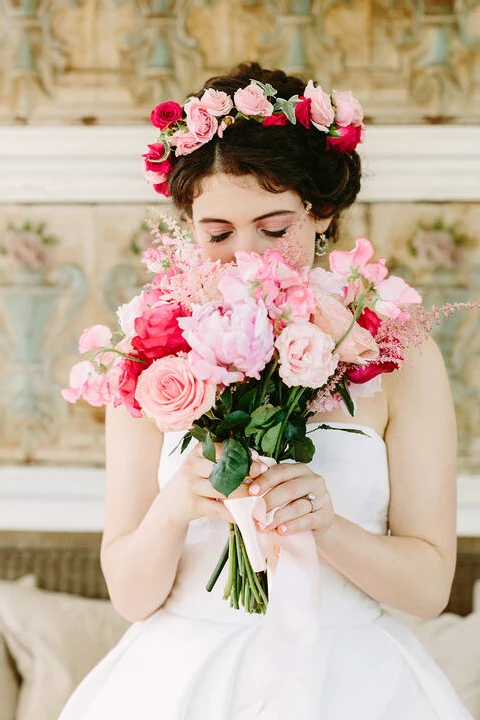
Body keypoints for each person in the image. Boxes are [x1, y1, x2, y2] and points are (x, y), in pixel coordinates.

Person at [59, 62, 473, 719]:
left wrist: (326, 526)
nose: (246, 255)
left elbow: (427, 588)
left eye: (274, 229)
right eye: (217, 234)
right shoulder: (152, 346)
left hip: (351, 683)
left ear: (322, 212)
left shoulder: (397, 354)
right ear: (188, 223)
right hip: (177, 683)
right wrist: (176, 505)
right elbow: (129, 595)